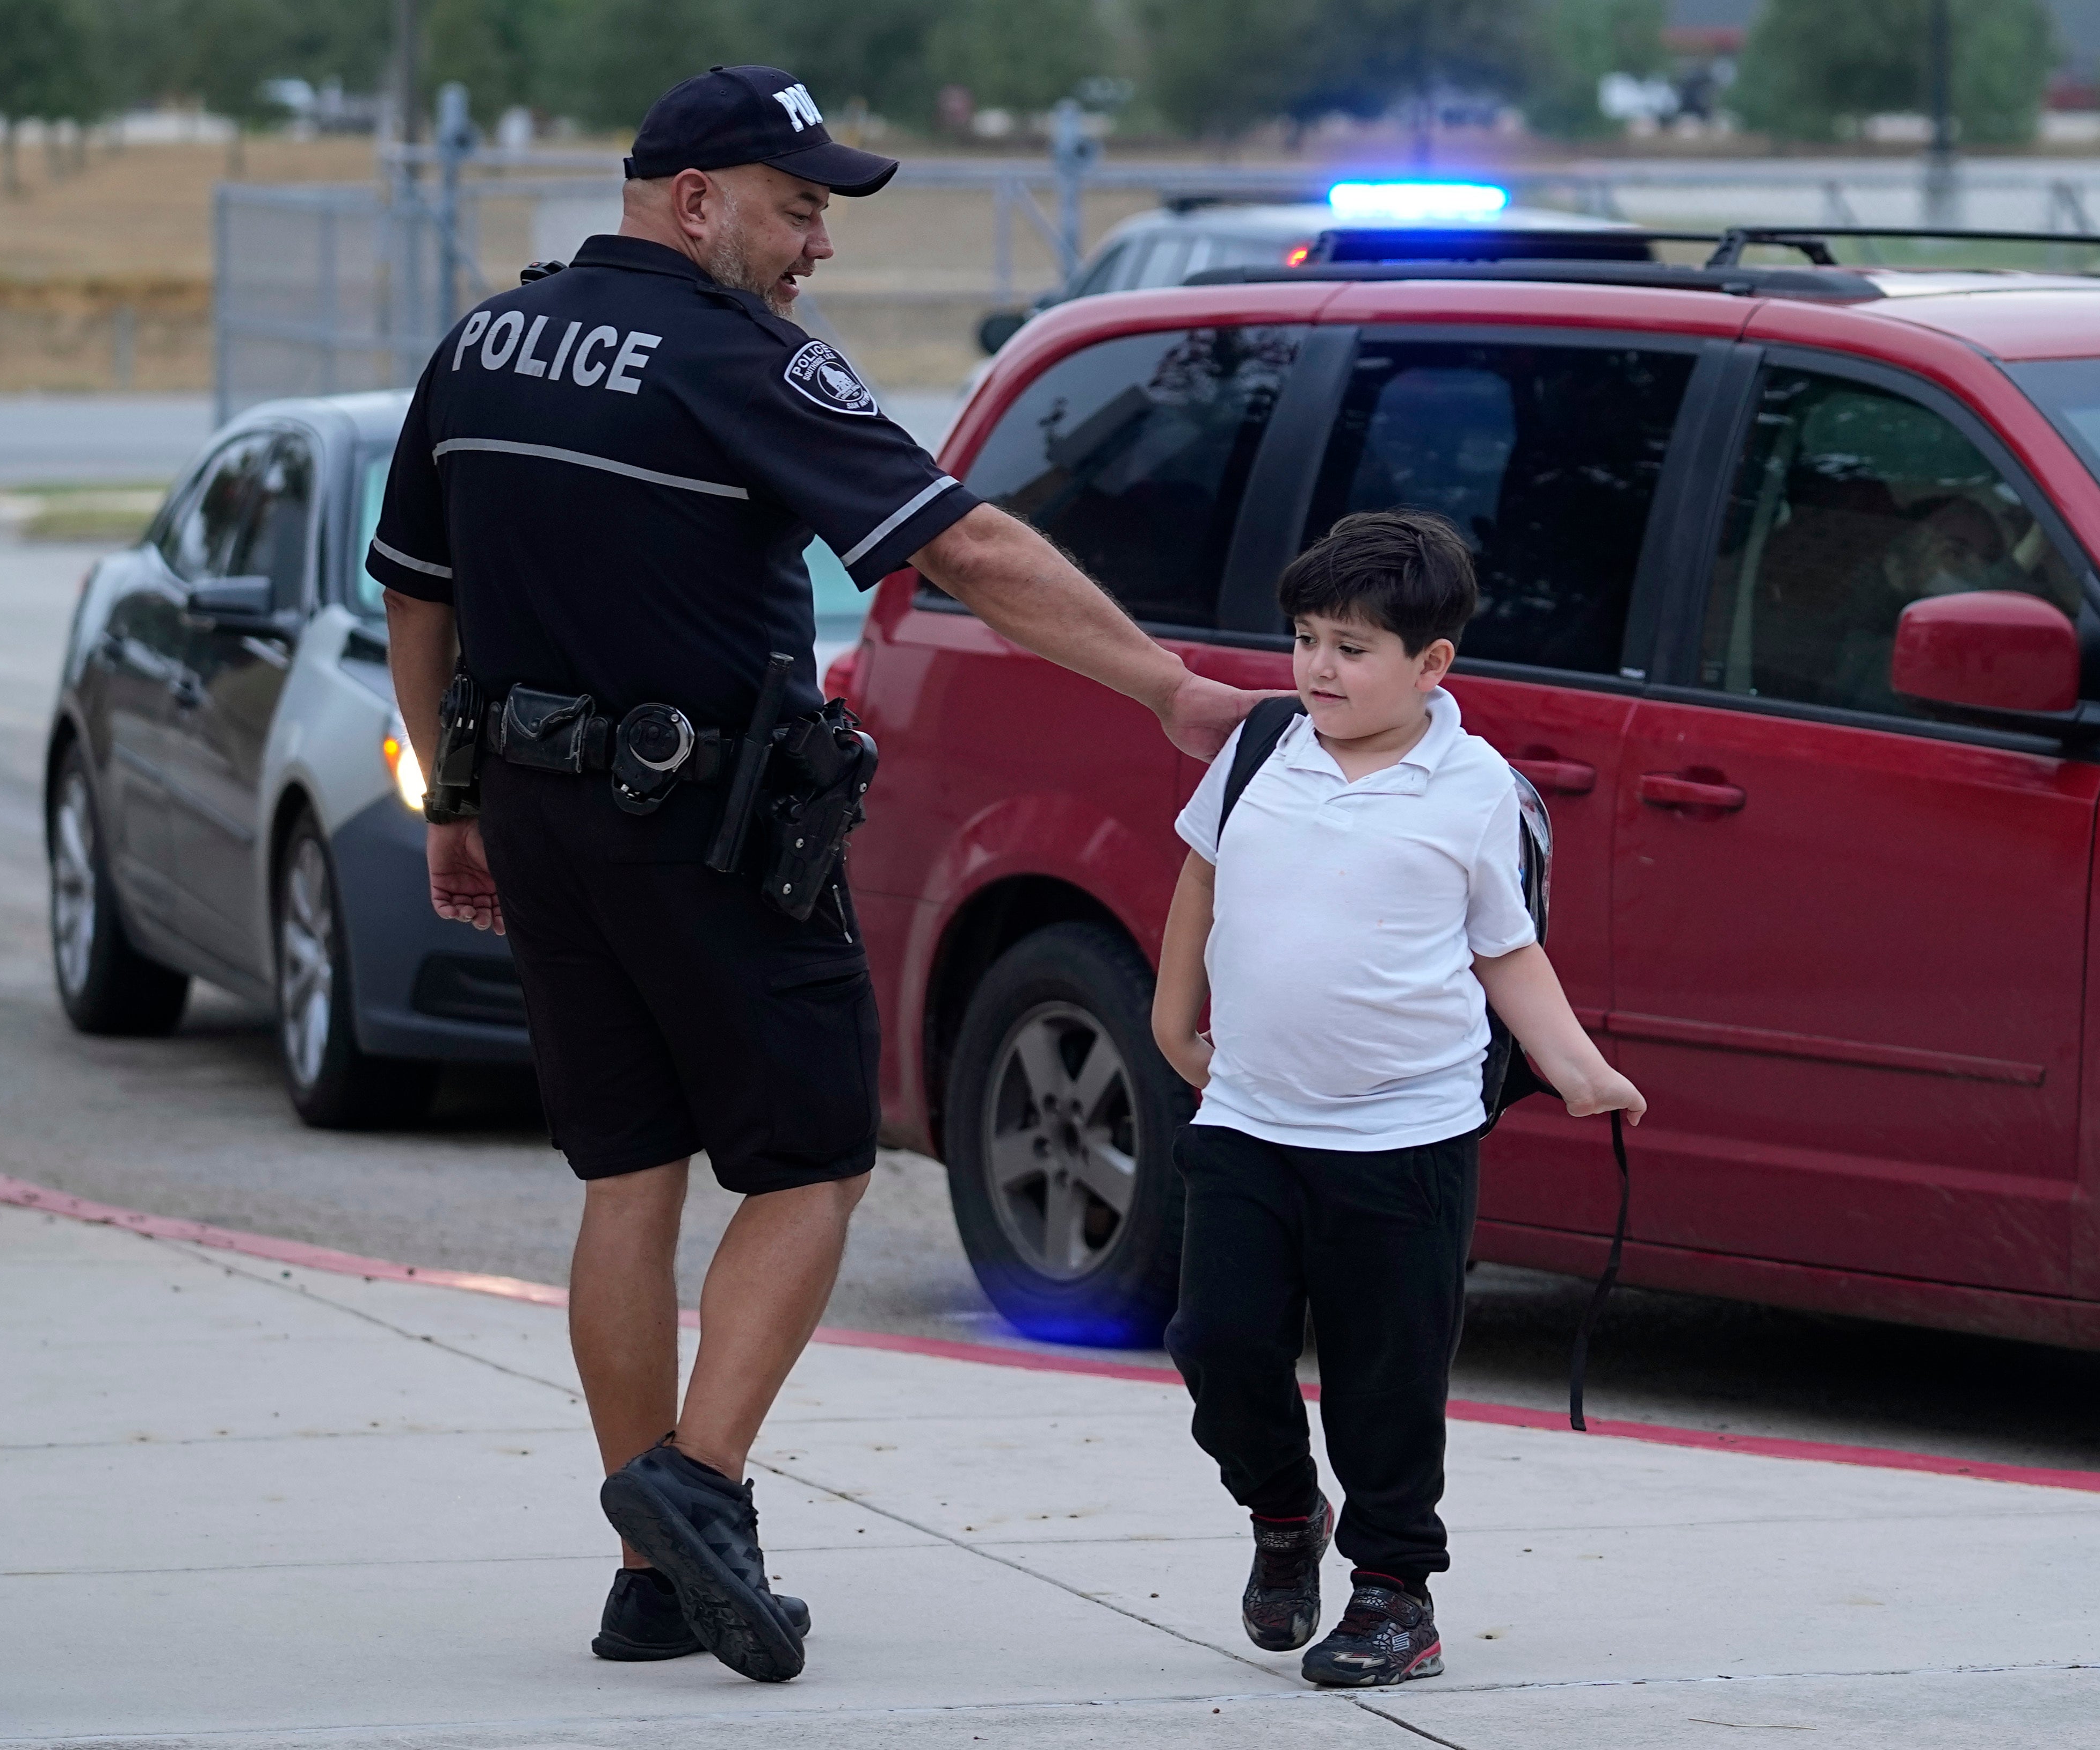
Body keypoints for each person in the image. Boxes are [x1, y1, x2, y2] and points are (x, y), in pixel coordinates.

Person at [368, 63, 1264, 1684]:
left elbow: (416, 599)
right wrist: (1165, 687)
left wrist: (450, 799)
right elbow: (963, 545)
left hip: (543, 824)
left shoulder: (482, 344)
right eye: (796, 211)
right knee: (811, 1165)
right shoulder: (733, 356)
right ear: (694, 200)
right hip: (705, 825)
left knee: (626, 1180)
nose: (815, 251)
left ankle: (651, 1580)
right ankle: (696, 1484)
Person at [1148, 510, 1647, 1687]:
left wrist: (1579, 1069)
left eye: (1353, 648)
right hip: (1251, 1114)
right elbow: (1201, 875)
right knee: (1216, 1341)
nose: (1319, 668)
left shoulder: (1479, 791)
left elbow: (1507, 953)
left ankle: (1391, 1595)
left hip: (1403, 1136)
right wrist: (1172, 1023)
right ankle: (1284, 1515)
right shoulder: (1264, 744)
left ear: (1432, 666)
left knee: (1385, 1374)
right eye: (1307, 639)